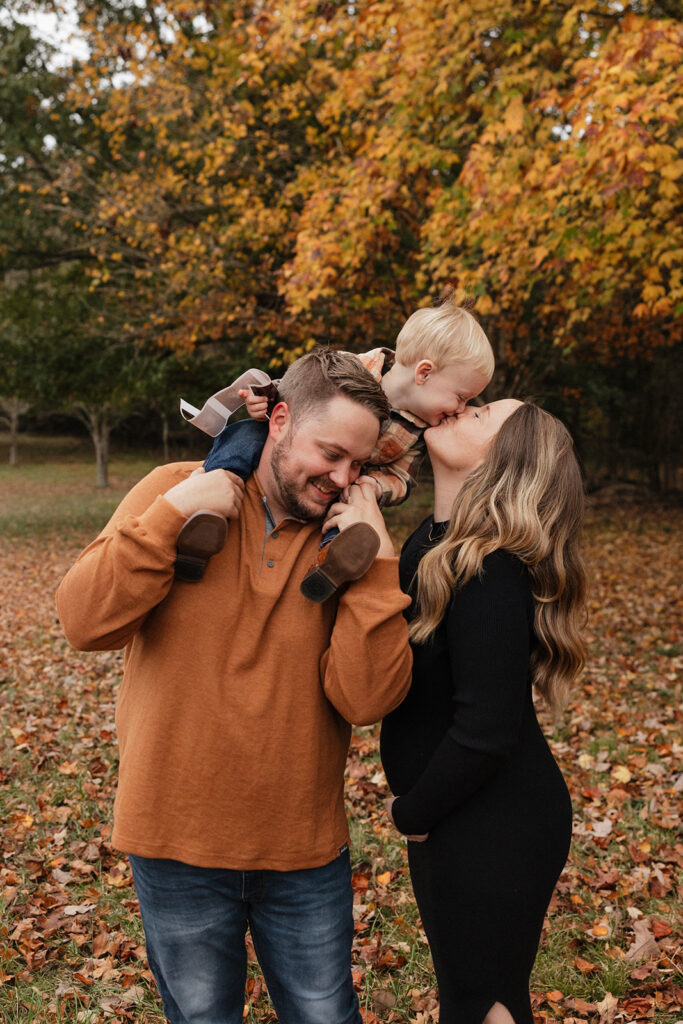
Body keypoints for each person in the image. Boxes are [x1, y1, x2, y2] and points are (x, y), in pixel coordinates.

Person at [56, 348, 414, 1024]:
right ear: (277, 419)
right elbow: (83, 621)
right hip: (174, 839)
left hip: (301, 849)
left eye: (357, 466)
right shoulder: (177, 489)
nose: (340, 478)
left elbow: (366, 700)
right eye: (330, 453)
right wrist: (173, 514)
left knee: (323, 1014)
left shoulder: (350, 539)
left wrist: (376, 568)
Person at [377, 400, 587, 1024]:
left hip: (493, 823)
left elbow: (486, 730)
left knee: (482, 1004)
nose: (460, 406)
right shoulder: (436, 543)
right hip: (460, 815)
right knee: (473, 999)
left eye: (480, 411)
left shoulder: (489, 569)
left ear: (503, 458)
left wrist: (411, 812)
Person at [176, 299, 494, 601]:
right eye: (461, 397)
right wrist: (264, 399)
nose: (460, 410)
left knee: (349, 510)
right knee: (243, 436)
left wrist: (373, 486)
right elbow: (301, 389)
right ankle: (210, 501)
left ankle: (331, 562)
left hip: (344, 485)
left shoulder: (421, 433)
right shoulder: (352, 367)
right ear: (423, 373)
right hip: (288, 445)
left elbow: (401, 478)